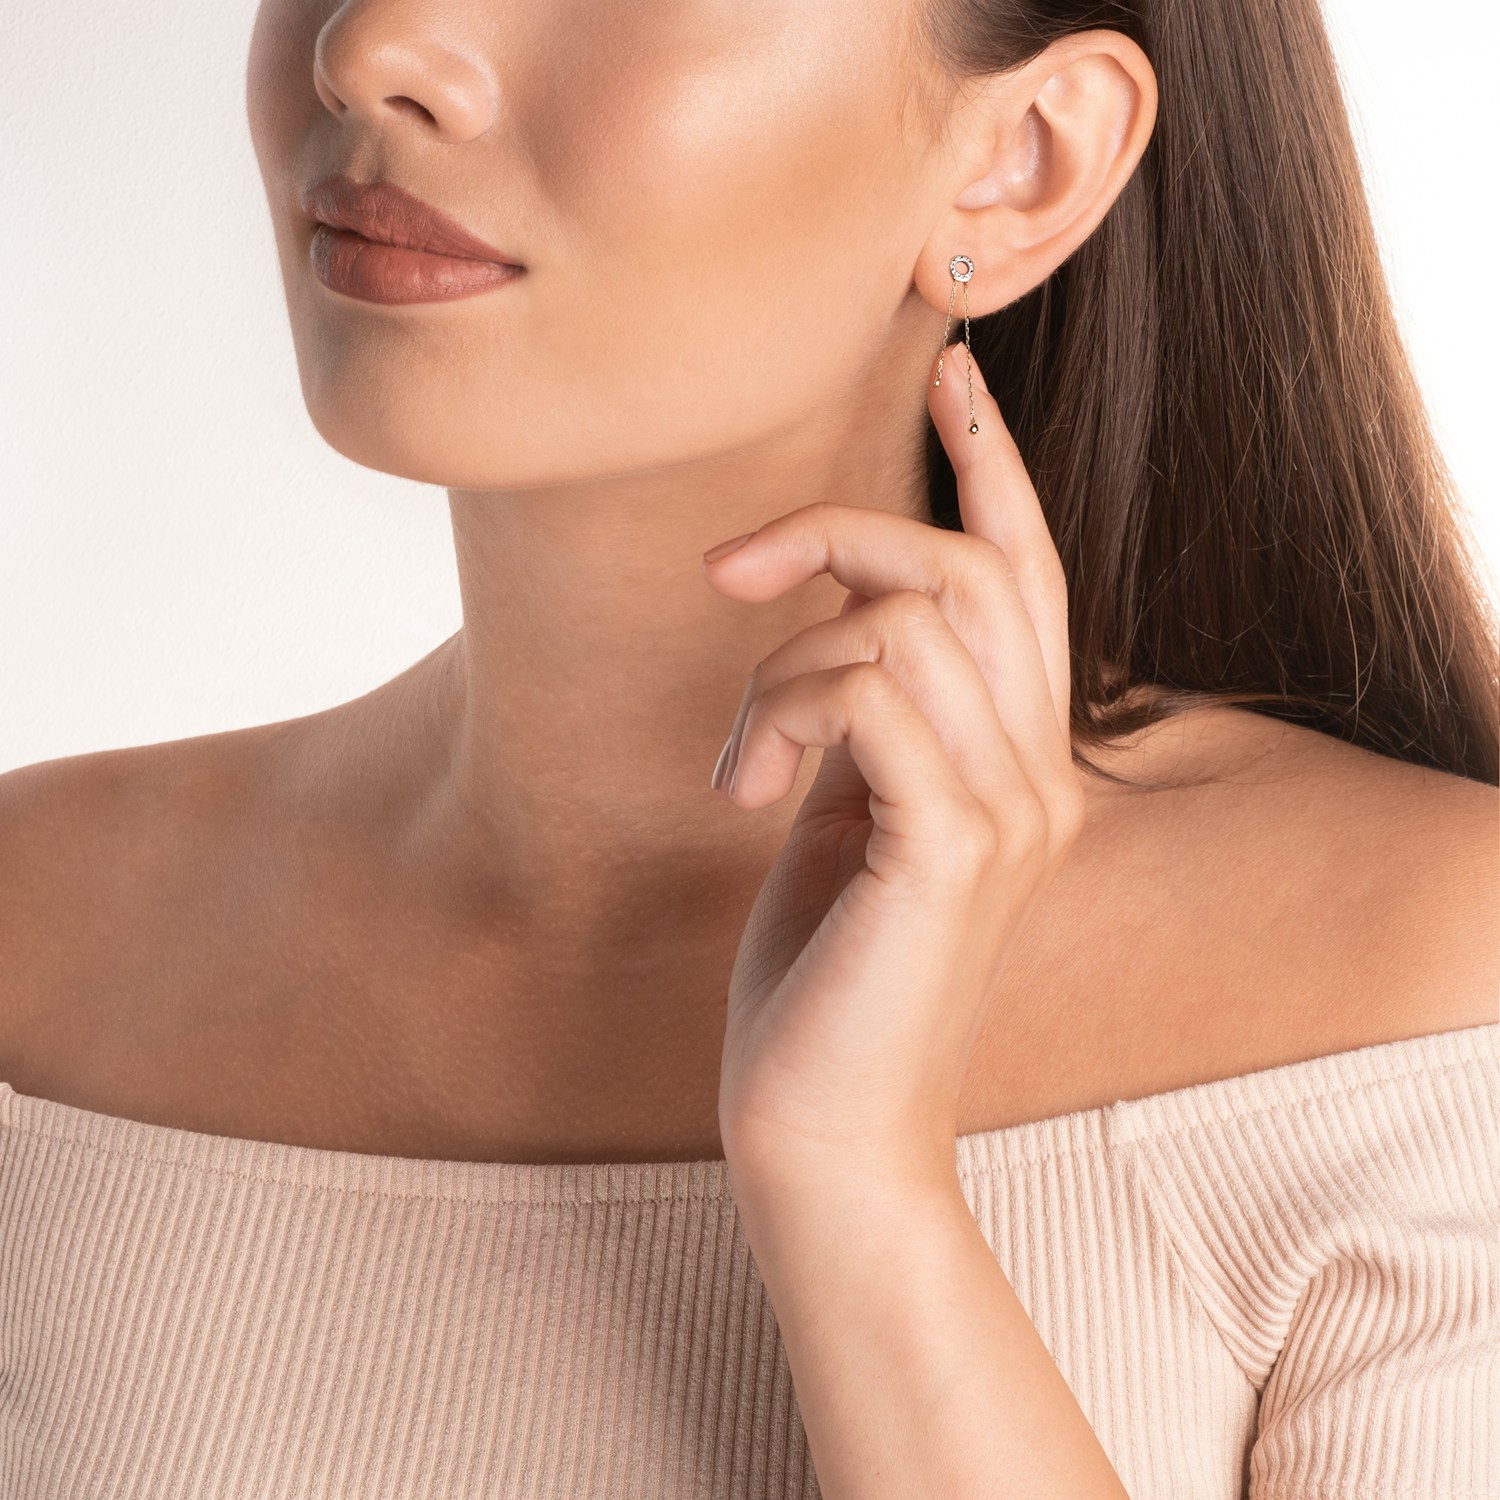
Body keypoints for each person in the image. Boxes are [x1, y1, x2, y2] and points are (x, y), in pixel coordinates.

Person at [0, 0, 1495, 1496]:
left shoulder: (1432, 983)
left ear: (1023, 162)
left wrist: (859, 1186)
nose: (371, 44)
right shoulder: (38, 943)